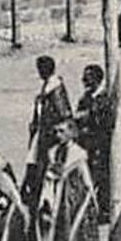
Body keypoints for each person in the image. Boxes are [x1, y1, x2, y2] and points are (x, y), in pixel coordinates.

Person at [23, 55, 72, 209]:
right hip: (41, 133)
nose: (39, 72)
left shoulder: (55, 89)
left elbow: (63, 113)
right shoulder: (48, 87)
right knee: (34, 164)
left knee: (43, 167)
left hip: (49, 136)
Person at [73, 64, 114, 224]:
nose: (84, 81)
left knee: (100, 177)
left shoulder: (104, 98)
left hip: (100, 145)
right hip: (86, 144)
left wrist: (87, 116)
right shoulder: (85, 98)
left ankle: (103, 210)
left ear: (97, 79)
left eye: (88, 78)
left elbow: (103, 122)